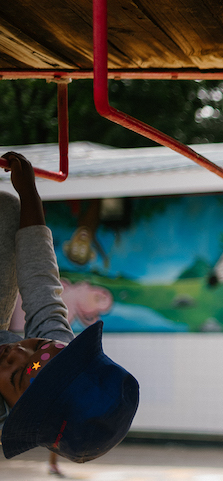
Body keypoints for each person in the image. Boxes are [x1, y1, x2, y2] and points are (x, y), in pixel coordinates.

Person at [0, 152, 140, 464]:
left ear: (17, 414)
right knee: (8, 208)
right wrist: (29, 193)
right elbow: (41, 281)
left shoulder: (43, 362)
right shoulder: (51, 354)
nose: (16, 352)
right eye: (35, 344)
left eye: (15, 377)